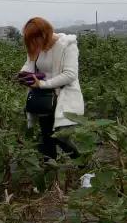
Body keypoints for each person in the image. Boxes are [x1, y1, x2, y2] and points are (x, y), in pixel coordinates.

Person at [19, 17, 84, 160]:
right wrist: (23, 75)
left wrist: (43, 84)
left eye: (35, 39)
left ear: (44, 34)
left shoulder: (67, 45)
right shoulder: (38, 47)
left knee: (61, 137)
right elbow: (29, 64)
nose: (34, 43)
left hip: (63, 97)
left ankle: (82, 165)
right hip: (44, 98)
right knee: (47, 136)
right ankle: (50, 169)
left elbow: (70, 75)